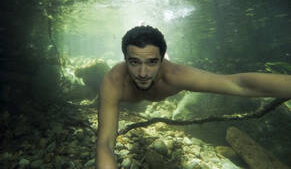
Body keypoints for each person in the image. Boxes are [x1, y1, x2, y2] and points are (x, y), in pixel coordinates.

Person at [95, 25, 291, 169]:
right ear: (125, 60)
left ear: (162, 60)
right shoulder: (114, 82)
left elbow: (238, 84)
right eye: (134, 62)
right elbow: (105, 143)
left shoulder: (175, 76)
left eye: (152, 62)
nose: (143, 72)